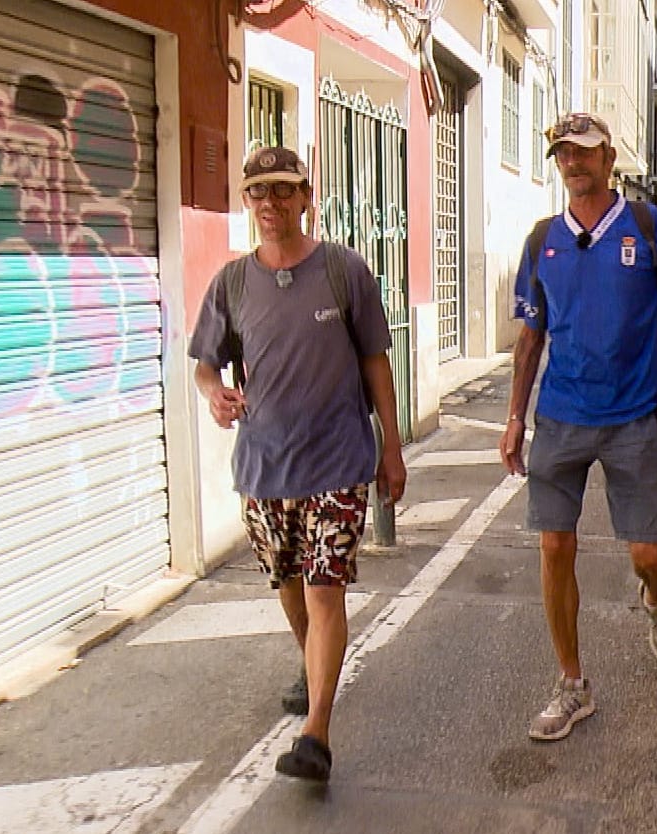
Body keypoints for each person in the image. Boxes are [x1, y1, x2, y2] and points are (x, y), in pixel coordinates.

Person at [499, 113, 657, 742]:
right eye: (562, 154)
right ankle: (573, 684)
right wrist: (515, 417)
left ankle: (655, 599)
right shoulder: (541, 239)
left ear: (609, 159)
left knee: (648, 554)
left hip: (632, 419)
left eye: (584, 152)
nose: (573, 163)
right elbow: (530, 338)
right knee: (554, 546)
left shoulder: (649, 229)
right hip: (560, 418)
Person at [188, 146, 407, 781]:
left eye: (283, 191)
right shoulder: (231, 284)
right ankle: (315, 665)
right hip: (264, 468)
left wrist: (391, 447)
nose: (270, 203)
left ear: (306, 198)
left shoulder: (344, 272)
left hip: (337, 462)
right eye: (258, 193)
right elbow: (205, 364)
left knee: (322, 587)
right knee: (289, 588)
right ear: (247, 203)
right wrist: (215, 395)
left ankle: (316, 734)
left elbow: (375, 361)